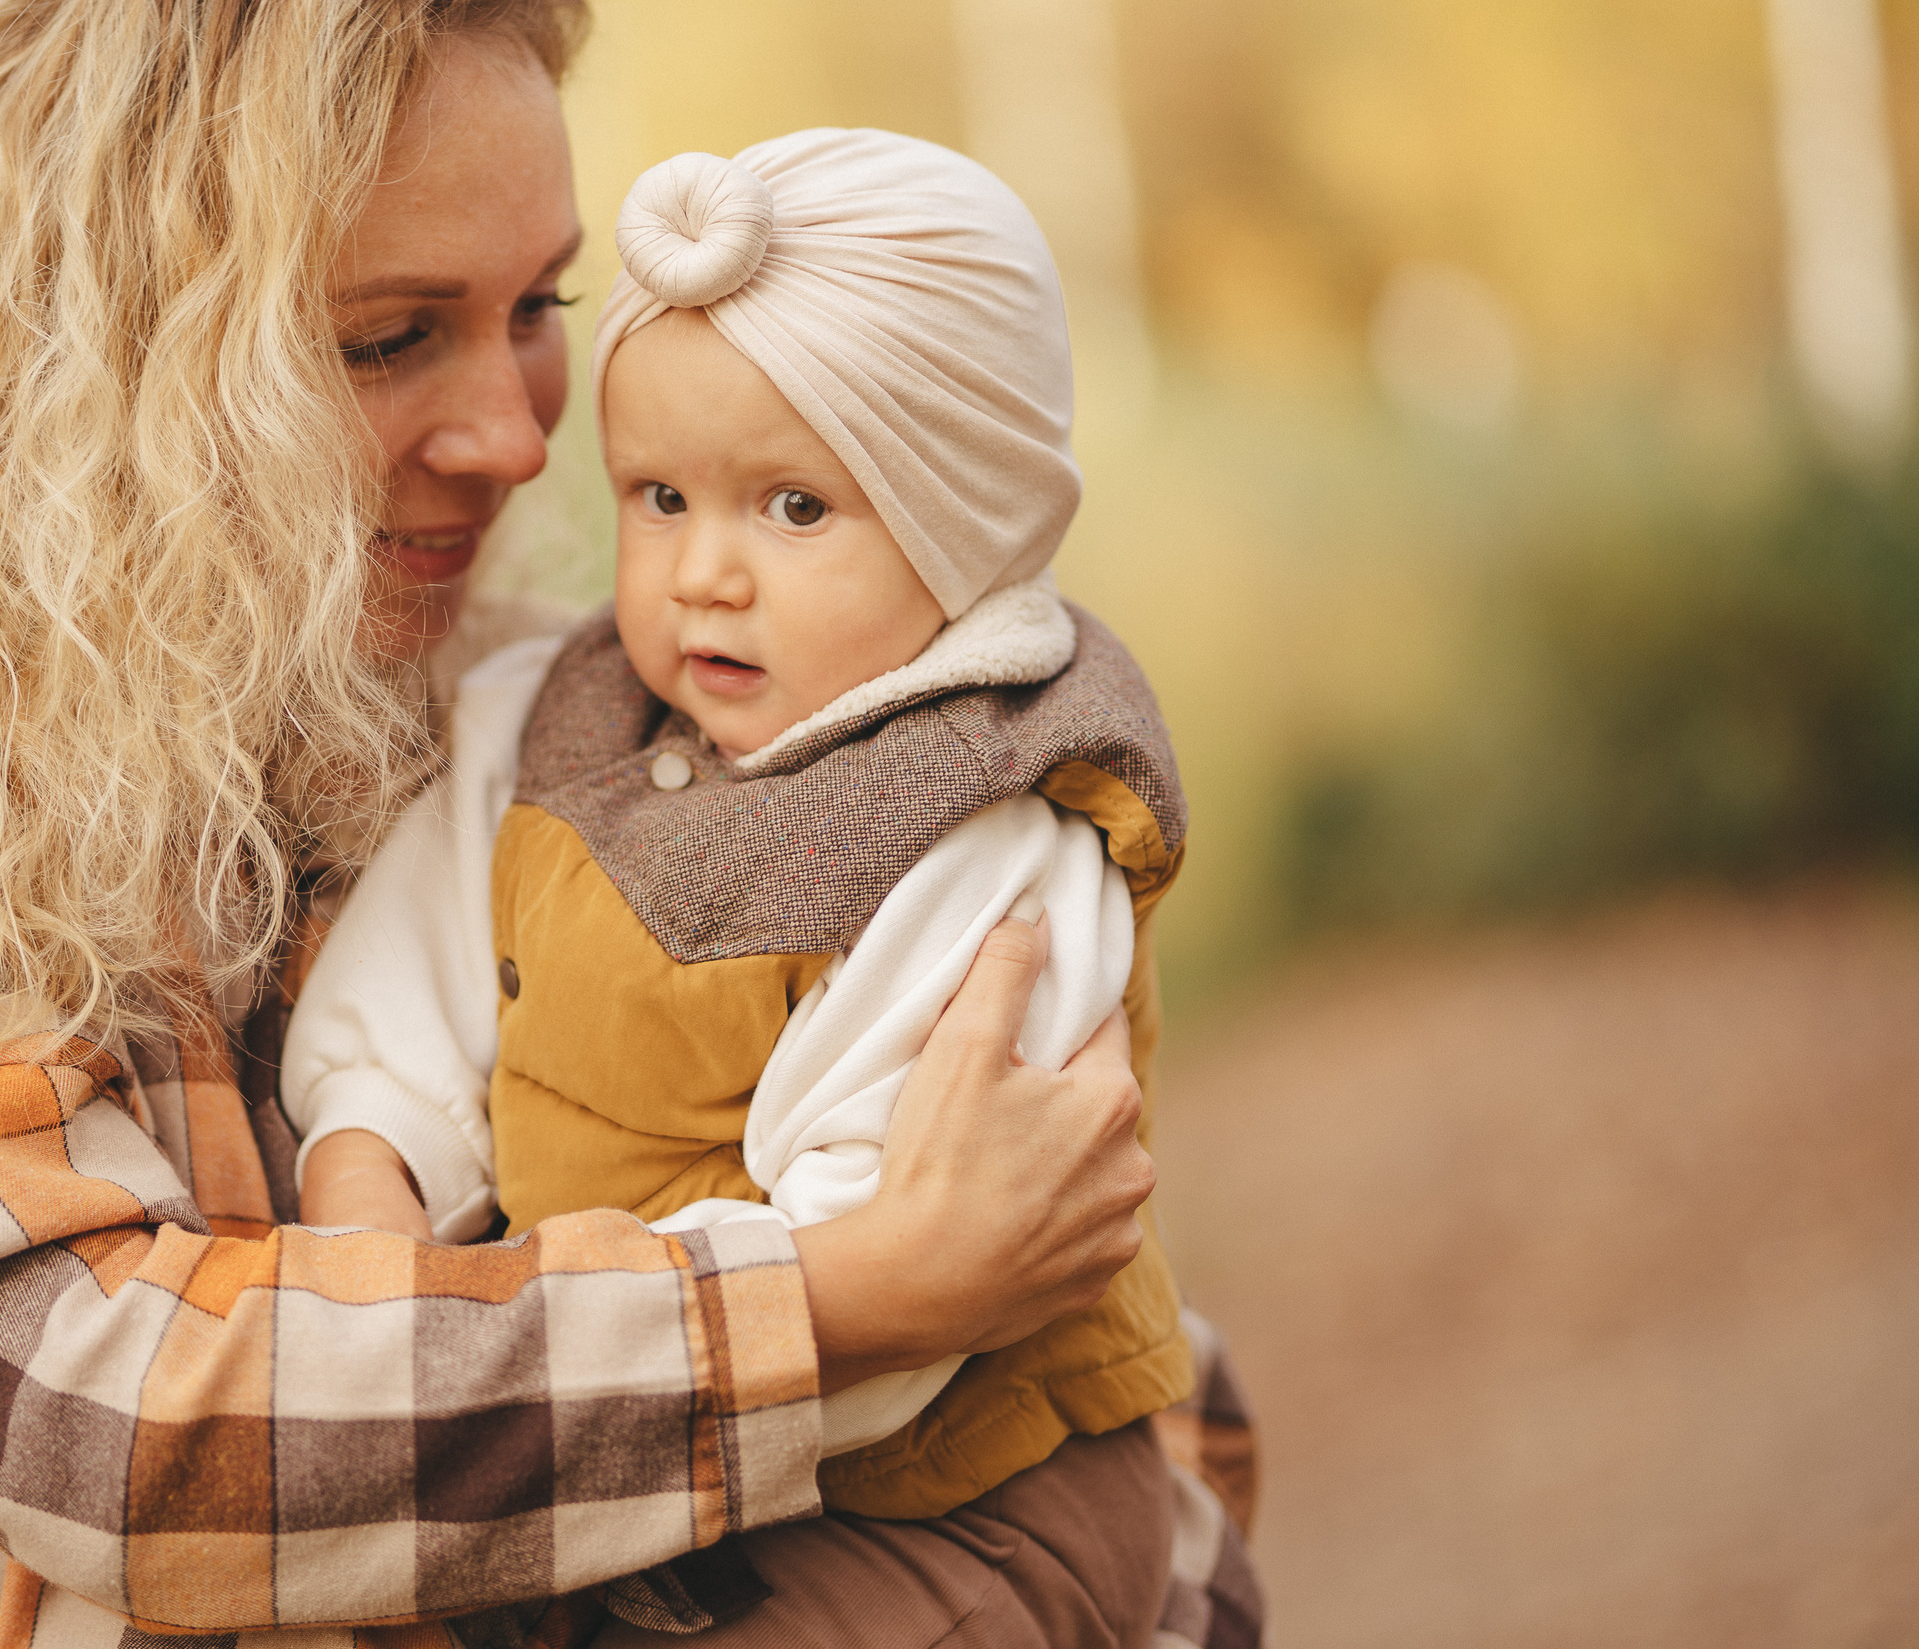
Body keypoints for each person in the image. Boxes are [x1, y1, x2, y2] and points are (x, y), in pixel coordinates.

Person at [0, 0, 1191, 1646]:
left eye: (537, 311)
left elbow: (1079, 1323)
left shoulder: (522, 710)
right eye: (387, 338)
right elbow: (119, 1426)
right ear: (95, 356)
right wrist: (830, 1307)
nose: (521, 442)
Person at [282, 132, 1258, 1646]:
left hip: (956, 1507)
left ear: (968, 522)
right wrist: (371, 1178)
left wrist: (517, 1340)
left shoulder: (982, 826)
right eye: (659, 498)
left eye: (794, 510)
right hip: (659, 1464)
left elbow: (908, 1248)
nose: (703, 575)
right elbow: (411, 981)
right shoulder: (564, 717)